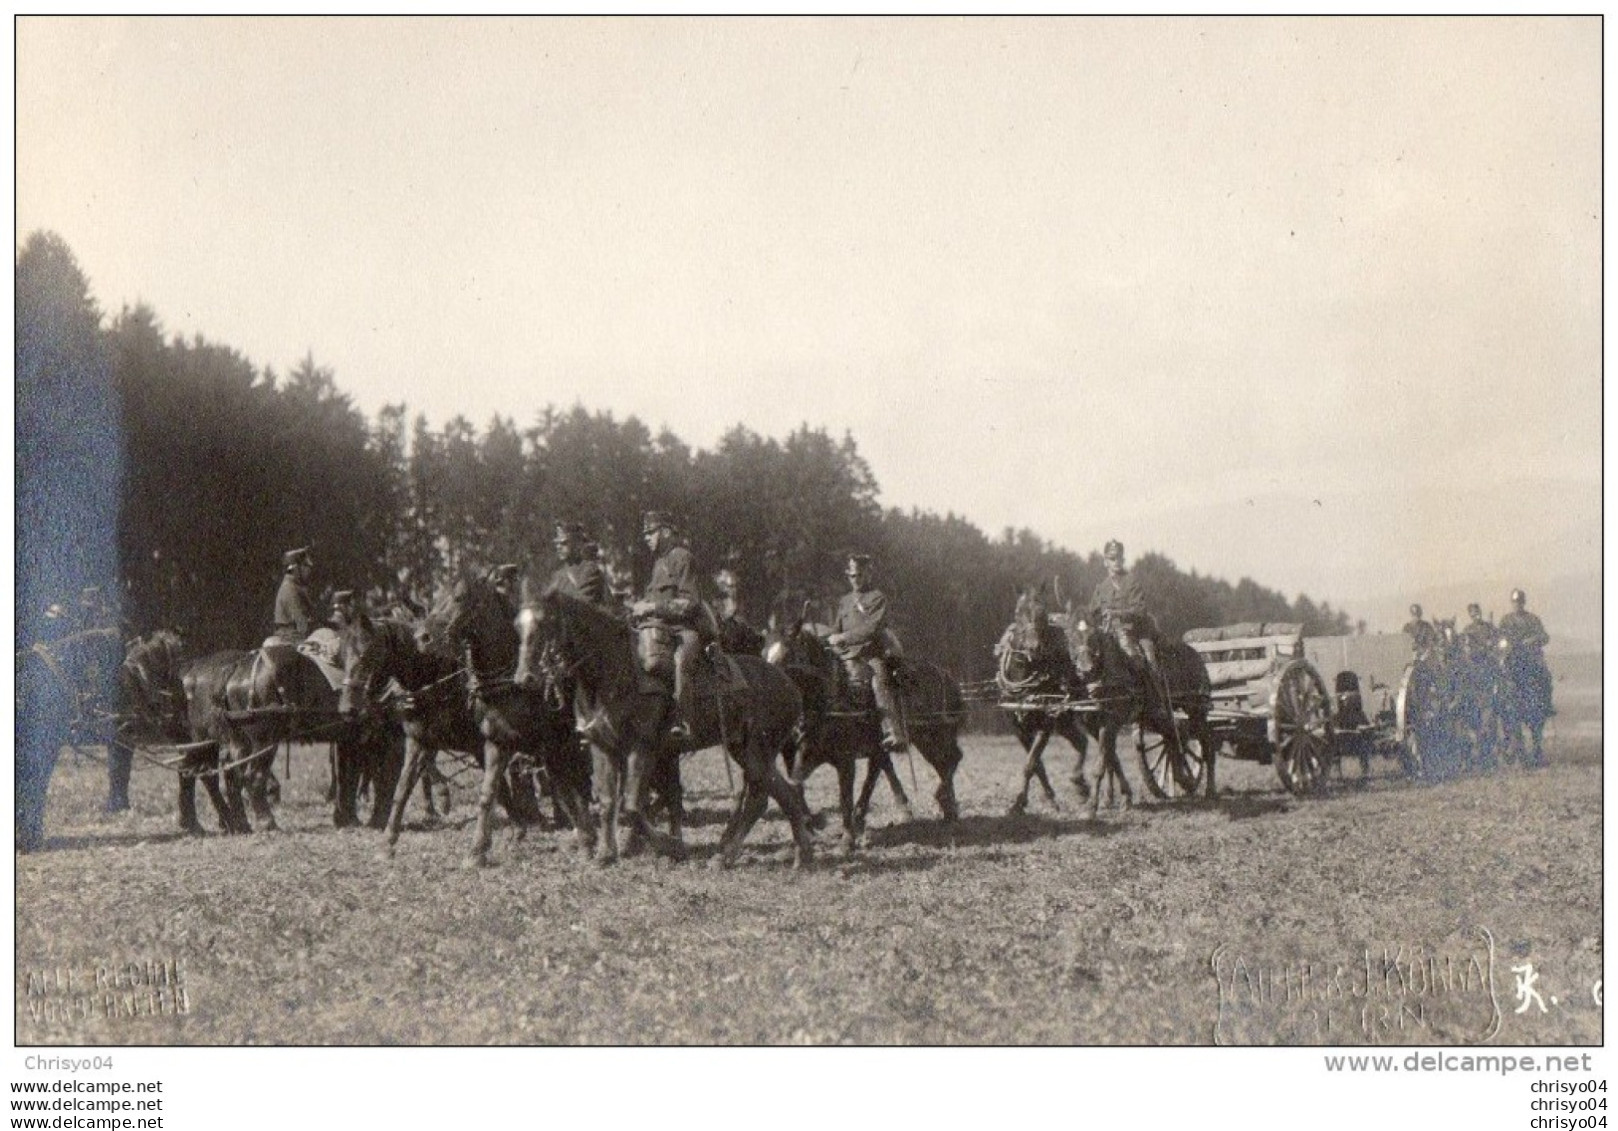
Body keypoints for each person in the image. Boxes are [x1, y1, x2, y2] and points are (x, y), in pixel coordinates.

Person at [827, 553, 909, 753]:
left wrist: (844, 637)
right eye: (852, 576)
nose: (856, 579)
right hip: (844, 654)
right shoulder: (844, 601)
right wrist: (831, 638)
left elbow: (872, 629)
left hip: (870, 654)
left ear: (868, 574)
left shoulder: (877, 598)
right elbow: (836, 628)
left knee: (878, 680)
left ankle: (893, 731)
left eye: (860, 575)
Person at [632, 512, 703, 741]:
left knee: (680, 662)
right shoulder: (658, 563)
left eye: (650, 532)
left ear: (665, 531)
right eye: (645, 534)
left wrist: (652, 607)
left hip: (682, 631)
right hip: (657, 630)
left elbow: (689, 603)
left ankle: (684, 722)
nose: (646, 538)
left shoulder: (682, 557)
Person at [1089, 540, 1159, 675]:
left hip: (1135, 633)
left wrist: (1116, 614)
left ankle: (1157, 694)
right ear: (1105, 562)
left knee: (1149, 661)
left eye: (1119, 558)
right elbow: (1091, 612)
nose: (1116, 561)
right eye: (1112, 558)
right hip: (1109, 634)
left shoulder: (1132, 582)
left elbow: (1140, 610)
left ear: (1123, 560)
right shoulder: (1101, 588)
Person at [1498, 587, 1553, 713]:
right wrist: (1504, 644)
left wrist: (1533, 639)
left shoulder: (1533, 619)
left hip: (1531, 657)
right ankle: (1499, 705)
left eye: (1519, 602)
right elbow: (1500, 637)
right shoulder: (1506, 620)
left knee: (1545, 676)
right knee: (1499, 676)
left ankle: (1547, 705)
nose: (1517, 605)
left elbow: (1544, 636)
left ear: (1524, 602)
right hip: (1512, 657)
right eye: (1515, 602)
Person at [548, 521, 608, 605]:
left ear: (577, 544)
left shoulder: (590, 571)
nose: (559, 547)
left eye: (564, 543)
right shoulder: (557, 576)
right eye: (557, 543)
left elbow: (583, 605)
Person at [713, 561, 765, 655]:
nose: (735, 590)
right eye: (731, 587)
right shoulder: (717, 605)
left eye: (736, 586)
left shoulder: (744, 602)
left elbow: (753, 624)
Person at [272, 547, 318, 644]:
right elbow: (302, 625)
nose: (309, 571)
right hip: (291, 639)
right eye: (305, 566)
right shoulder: (290, 589)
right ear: (296, 568)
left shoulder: (295, 587)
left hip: (294, 636)